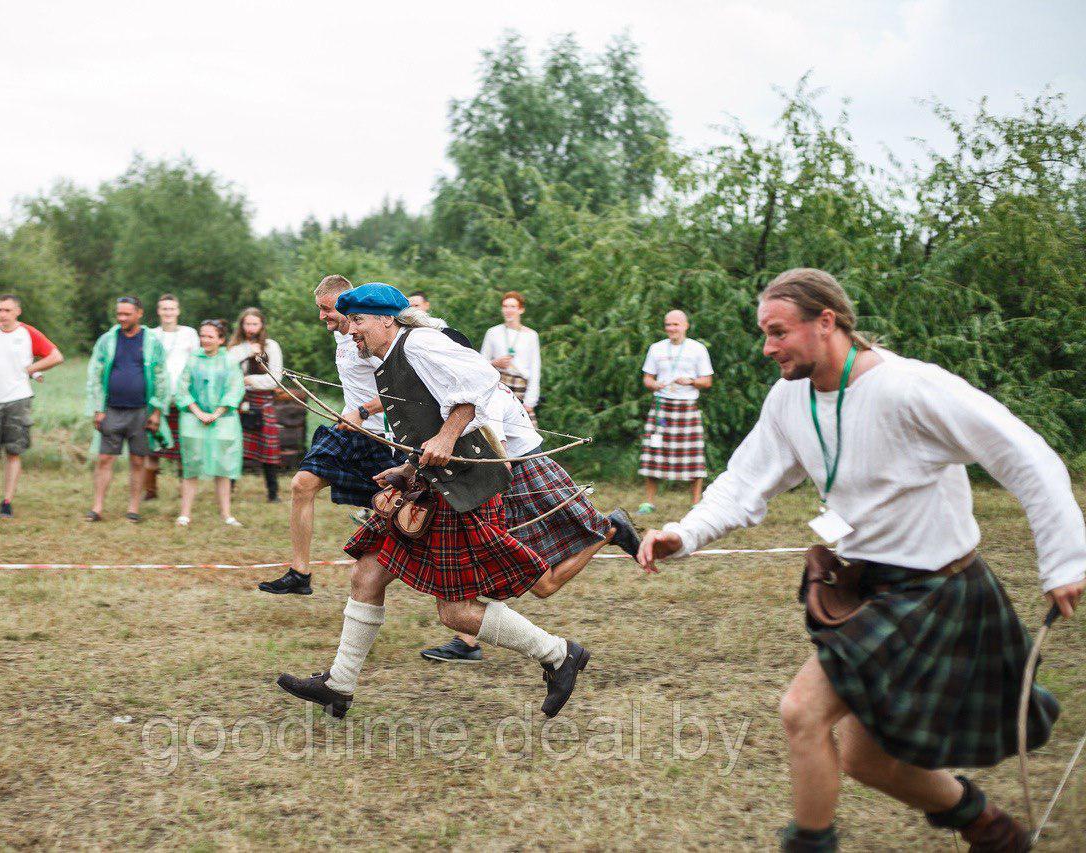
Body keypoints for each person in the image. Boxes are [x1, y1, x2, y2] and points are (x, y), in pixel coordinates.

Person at [639, 268, 1085, 852]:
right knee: (865, 760)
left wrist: (1062, 562)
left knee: (802, 712)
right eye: (764, 333)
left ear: (827, 322)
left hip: (938, 591)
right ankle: (992, 831)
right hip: (865, 590)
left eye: (778, 332)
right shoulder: (789, 397)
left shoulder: (909, 387)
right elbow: (743, 482)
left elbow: (1027, 457)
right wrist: (684, 533)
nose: (768, 347)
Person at [276, 283, 590, 721]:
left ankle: (559, 654)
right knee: (367, 573)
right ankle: (339, 684)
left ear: (387, 319)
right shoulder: (386, 358)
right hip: (429, 483)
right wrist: (405, 470)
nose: (351, 332)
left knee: (456, 612)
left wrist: (446, 437)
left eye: (359, 322)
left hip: (463, 490)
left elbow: (482, 381)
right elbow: (425, 414)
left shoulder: (419, 342)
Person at [419, 380, 642, 662]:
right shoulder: (472, 389)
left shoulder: (480, 396)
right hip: (514, 478)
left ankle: (609, 531)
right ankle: (467, 642)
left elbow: (499, 462)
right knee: (489, 566)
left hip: (521, 479)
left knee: (542, 585)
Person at [257, 275, 403, 596]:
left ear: (344, 304)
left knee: (399, 517)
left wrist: (364, 411)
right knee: (301, 485)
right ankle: (300, 573)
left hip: (383, 440)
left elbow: (405, 388)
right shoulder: (342, 336)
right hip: (347, 431)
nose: (322, 316)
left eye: (326, 309)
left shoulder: (373, 337)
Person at [0, 294, 63, 519]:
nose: (2, 315)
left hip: (19, 400)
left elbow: (56, 356)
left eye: (7, 310)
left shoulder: (28, 333)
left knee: (14, 453)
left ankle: (7, 502)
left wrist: (32, 368)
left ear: (17, 311)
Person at [85, 296, 170, 523]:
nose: (122, 318)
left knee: (138, 460)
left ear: (139, 313)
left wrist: (157, 411)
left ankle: (133, 508)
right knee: (104, 458)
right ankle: (97, 507)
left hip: (142, 410)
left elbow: (162, 377)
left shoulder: (152, 341)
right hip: (111, 409)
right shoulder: (108, 340)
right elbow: (94, 373)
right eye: (119, 314)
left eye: (127, 314)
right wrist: (97, 408)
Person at [637, 309, 714, 511]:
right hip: (662, 406)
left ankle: (696, 503)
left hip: (687, 406)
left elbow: (707, 381)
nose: (671, 328)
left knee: (694, 455)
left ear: (685, 326)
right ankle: (649, 502)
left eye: (676, 324)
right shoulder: (656, 349)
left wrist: (691, 381)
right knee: (654, 453)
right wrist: (654, 385)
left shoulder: (697, 349)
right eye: (668, 324)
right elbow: (647, 378)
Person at [175, 320, 244, 527]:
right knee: (191, 465)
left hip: (223, 420)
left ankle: (226, 514)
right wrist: (197, 412)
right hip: (193, 419)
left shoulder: (230, 361)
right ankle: (185, 513)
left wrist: (217, 412)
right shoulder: (192, 360)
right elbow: (182, 388)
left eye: (210, 336)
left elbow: (235, 388)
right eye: (202, 336)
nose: (204, 340)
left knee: (223, 466)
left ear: (221, 340)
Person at [145, 293, 199, 501]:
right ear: (159, 311)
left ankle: (182, 491)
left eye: (171, 309)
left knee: (182, 447)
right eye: (164, 309)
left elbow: (195, 363)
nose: (168, 312)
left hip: (182, 398)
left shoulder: (189, 334)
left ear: (178, 311)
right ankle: (150, 491)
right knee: (152, 446)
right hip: (157, 399)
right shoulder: (150, 334)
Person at [228, 308, 284, 503]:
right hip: (241, 402)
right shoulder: (236, 347)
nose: (250, 328)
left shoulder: (271, 346)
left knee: (268, 450)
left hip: (264, 402)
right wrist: (246, 351)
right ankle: (228, 491)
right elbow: (228, 368)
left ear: (261, 325)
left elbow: (275, 379)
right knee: (236, 447)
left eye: (254, 324)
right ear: (242, 326)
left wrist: (249, 380)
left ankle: (273, 493)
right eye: (247, 324)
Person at [480, 291, 541, 424]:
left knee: (528, 433)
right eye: (505, 306)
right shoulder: (493, 332)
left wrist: (530, 401)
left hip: (520, 387)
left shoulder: (531, 335)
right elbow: (481, 364)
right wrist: (495, 362)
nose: (508, 310)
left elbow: (535, 369)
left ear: (521, 309)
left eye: (513, 307)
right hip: (498, 386)